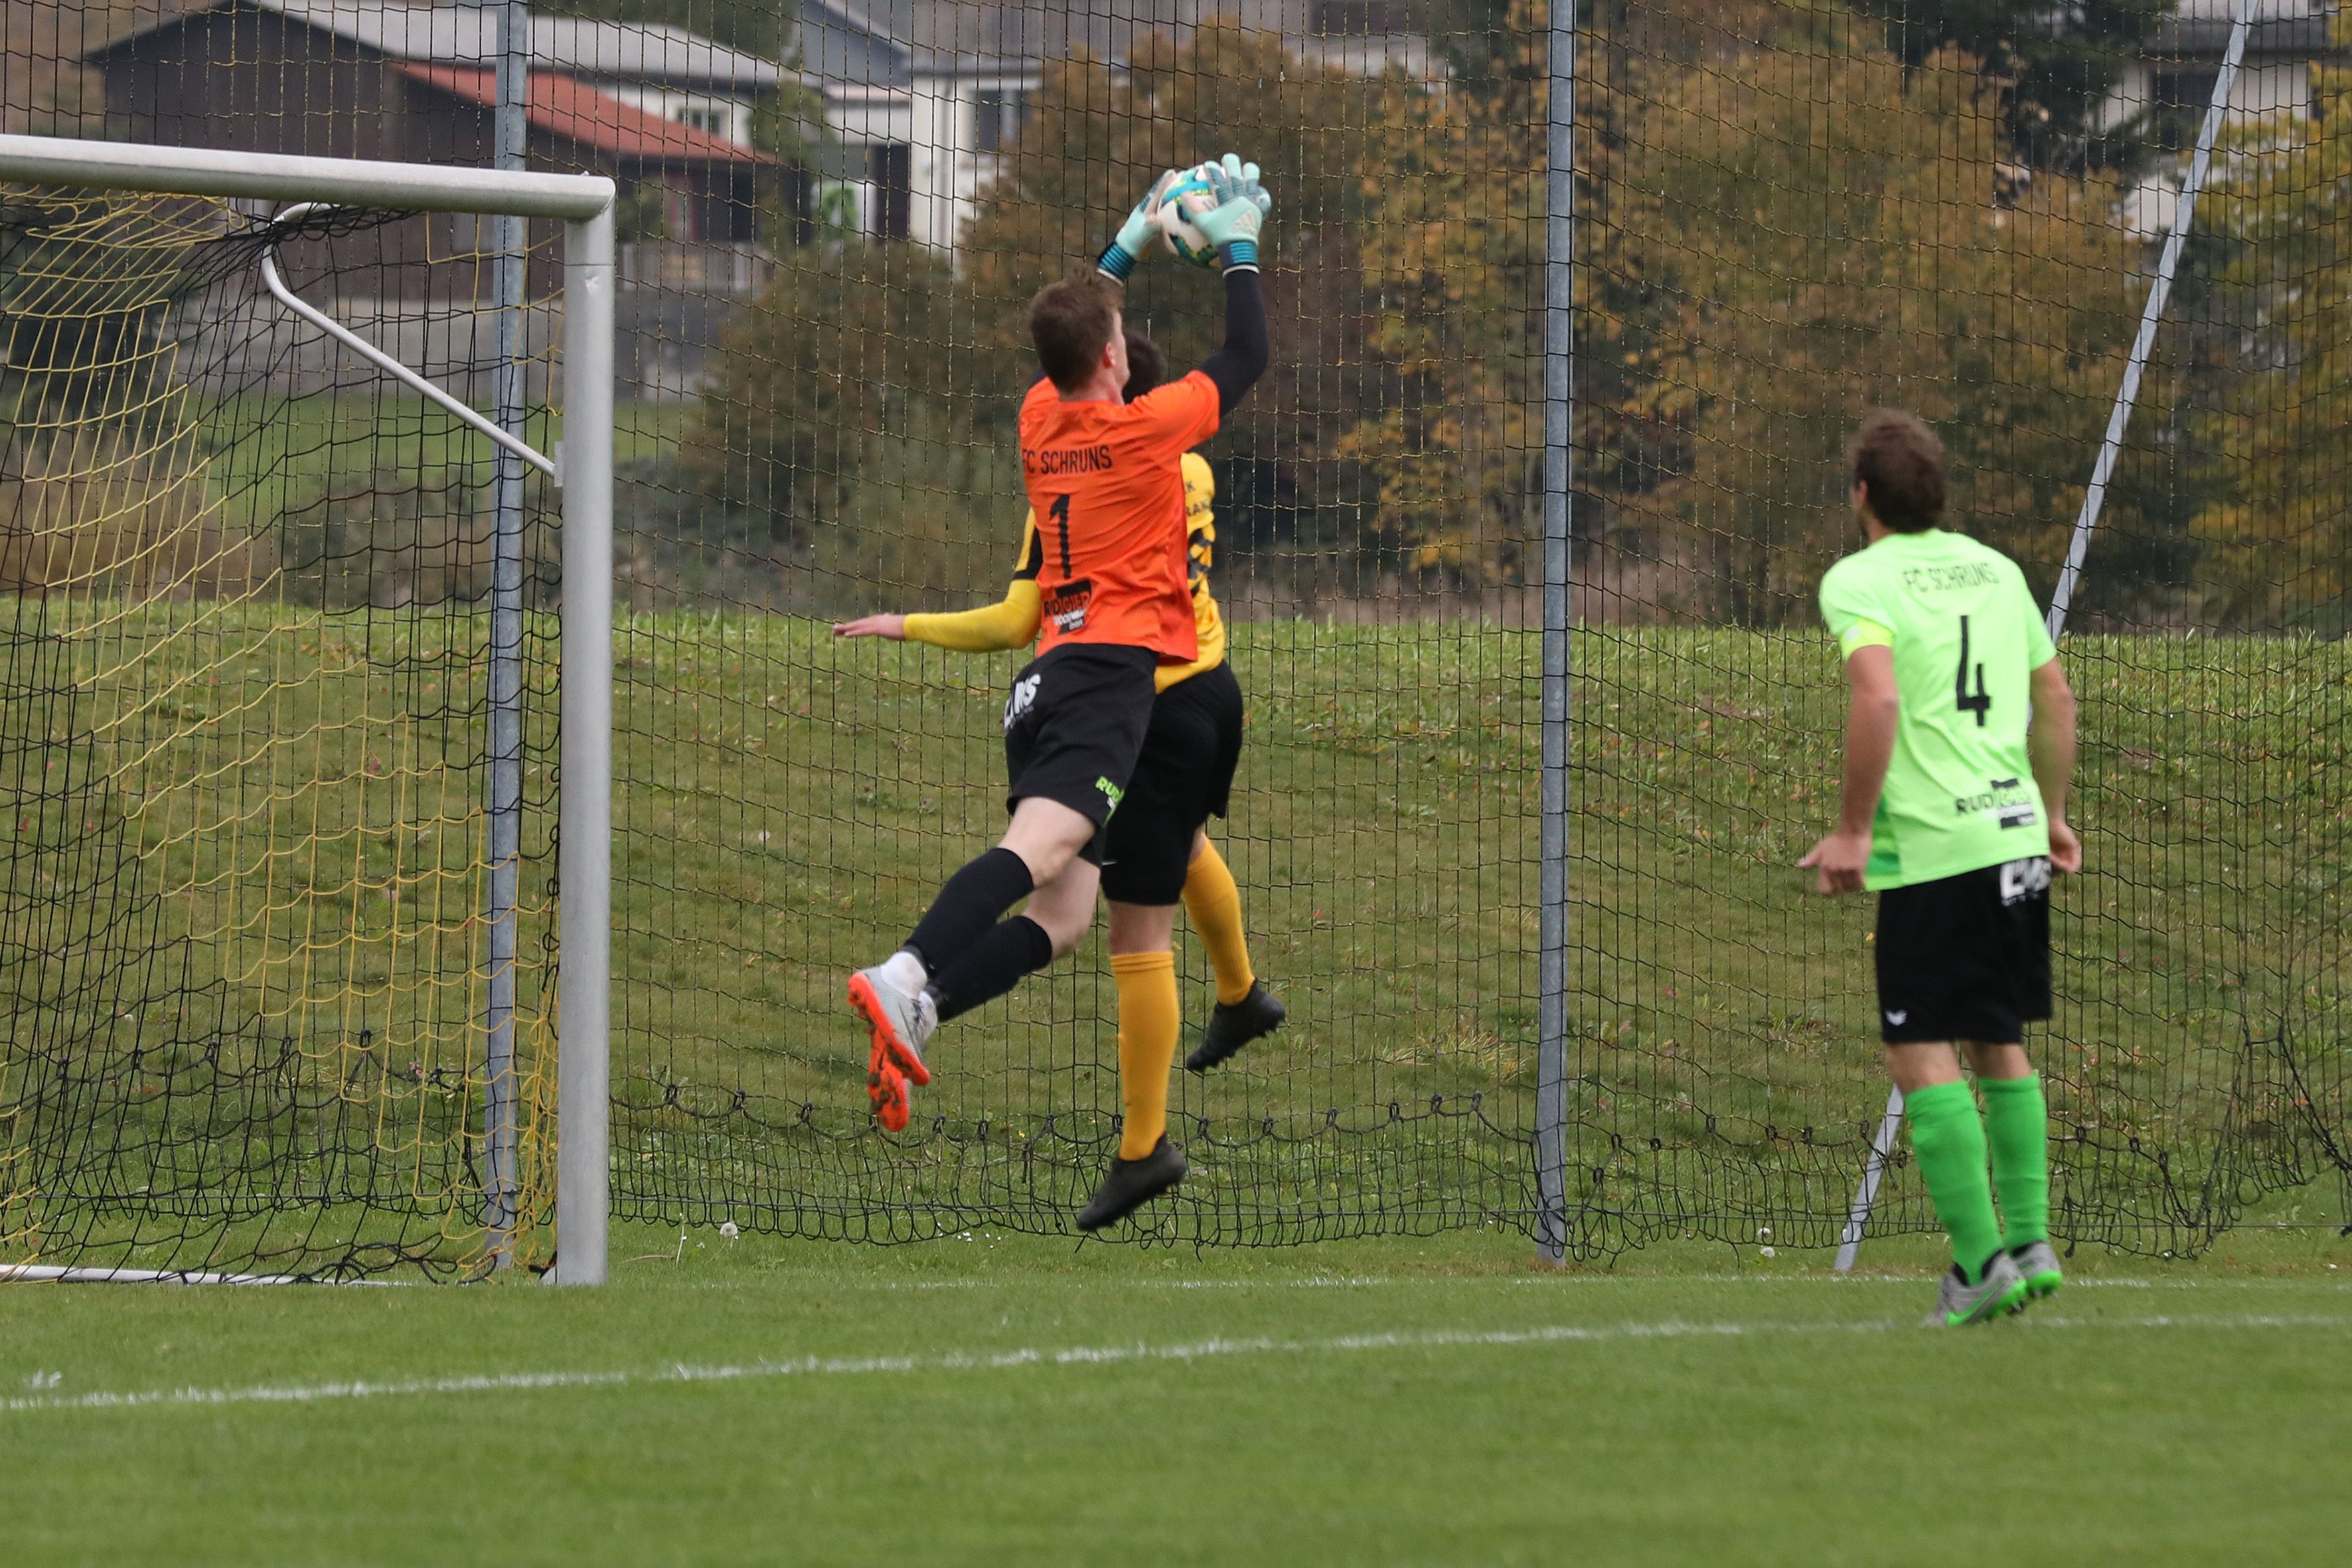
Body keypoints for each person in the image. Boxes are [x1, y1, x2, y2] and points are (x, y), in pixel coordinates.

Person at [843, 155, 1272, 1231]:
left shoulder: (1040, 417)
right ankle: (905, 972)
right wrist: (1238, 245)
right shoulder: (1146, 434)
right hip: (1108, 682)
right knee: (1045, 859)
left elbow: (1081, 325)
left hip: (1048, 676)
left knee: (1062, 912)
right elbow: (1245, 355)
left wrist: (1125, 242)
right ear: (1115, 359)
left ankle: (926, 1004)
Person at [832, 328, 1287, 1078]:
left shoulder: (1061, 476)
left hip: (1093, 693)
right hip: (1185, 686)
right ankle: (1232, 1000)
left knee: (1079, 915)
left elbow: (1016, 621)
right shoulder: (1188, 466)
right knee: (1156, 862)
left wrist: (905, 623)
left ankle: (918, 1000)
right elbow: (1228, 366)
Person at [1800, 410, 2080, 1328]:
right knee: (1996, 1036)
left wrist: (1851, 830)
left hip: (1935, 847)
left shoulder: (1858, 578)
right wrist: (2050, 815)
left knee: (1917, 1044)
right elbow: (2053, 696)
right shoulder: (1996, 569)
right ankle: (2029, 1242)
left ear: (1861, 495)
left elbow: (1878, 695)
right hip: (2011, 835)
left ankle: (1978, 1262)